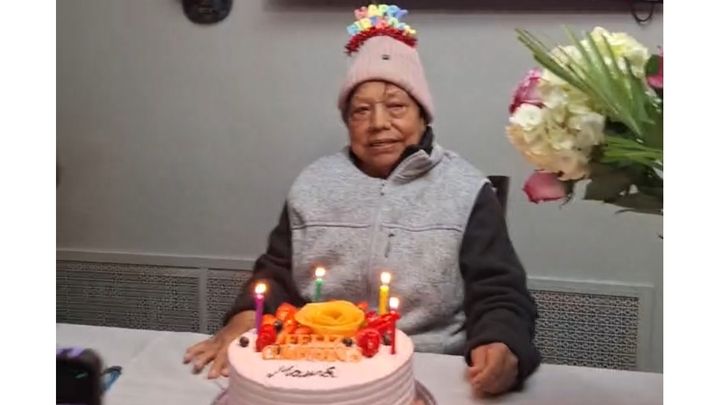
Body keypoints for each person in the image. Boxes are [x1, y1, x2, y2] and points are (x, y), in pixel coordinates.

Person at [184, 5, 540, 396]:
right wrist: (243, 319)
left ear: (423, 116)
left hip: (429, 366)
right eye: (361, 111)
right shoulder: (314, 183)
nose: (378, 123)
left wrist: (503, 342)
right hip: (317, 363)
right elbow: (277, 272)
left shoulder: (466, 188)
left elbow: (499, 290)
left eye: (396, 106)